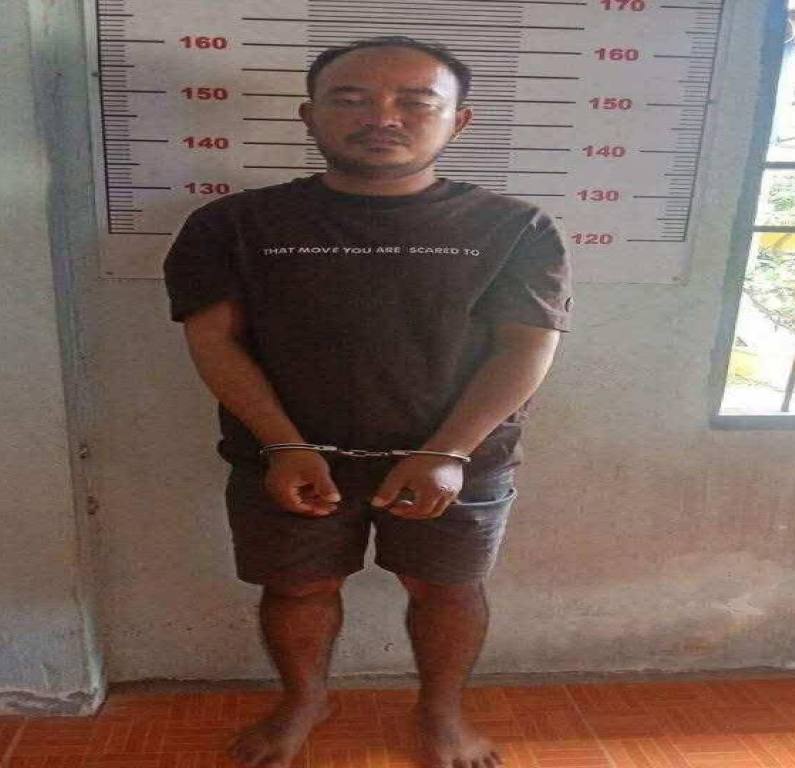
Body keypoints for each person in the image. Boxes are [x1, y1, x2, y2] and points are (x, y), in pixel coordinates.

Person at [163, 35, 573, 768]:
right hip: (285, 455)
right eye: (351, 99)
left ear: (459, 122)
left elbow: (525, 349)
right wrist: (283, 444)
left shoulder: (516, 228)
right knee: (298, 588)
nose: (382, 117)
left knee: (446, 589)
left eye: (415, 102)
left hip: (459, 457)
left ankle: (441, 714)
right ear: (309, 115)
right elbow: (214, 341)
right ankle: (303, 702)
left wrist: (448, 452)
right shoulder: (231, 225)